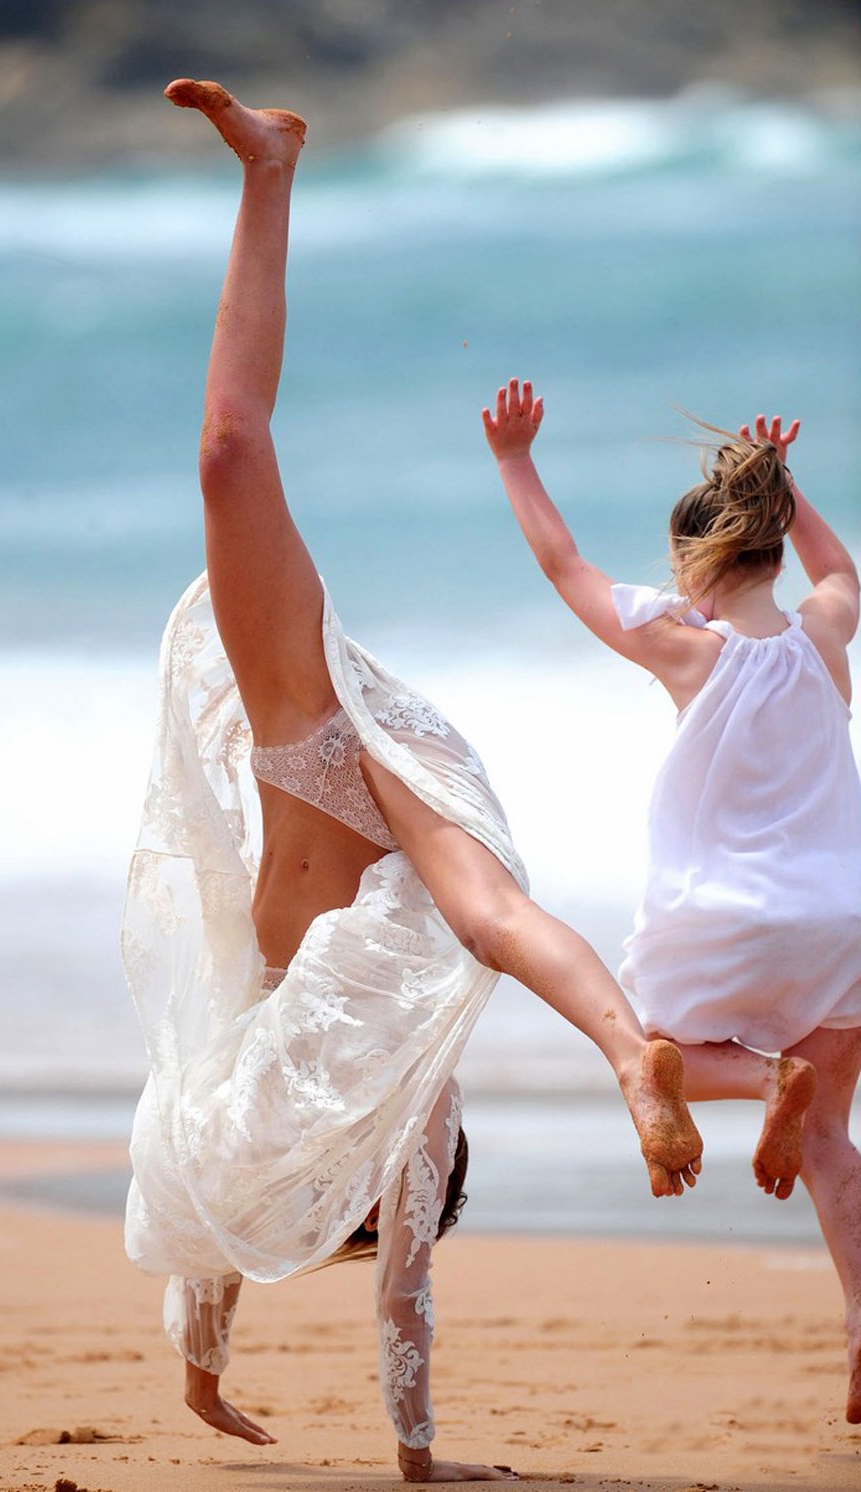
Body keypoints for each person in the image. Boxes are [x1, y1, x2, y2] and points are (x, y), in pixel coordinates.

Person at [122, 83, 704, 1484]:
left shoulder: (256, 1076)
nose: (344, 1215)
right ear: (405, 1193)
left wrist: (202, 1372)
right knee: (484, 919)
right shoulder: (409, 1093)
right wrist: (421, 1462)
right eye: (366, 1213)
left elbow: (209, 1196)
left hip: (306, 745)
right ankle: (629, 1057)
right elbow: (405, 1293)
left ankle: (268, 170)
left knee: (227, 453)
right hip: (366, 780)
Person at [483, 382, 861, 1423]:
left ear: (696, 567)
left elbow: (564, 566)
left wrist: (515, 461)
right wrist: (787, 484)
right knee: (830, 1141)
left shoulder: (685, 648)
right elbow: (841, 571)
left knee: (651, 1051)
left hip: (717, 919)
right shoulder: (825, 633)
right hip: (840, 924)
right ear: (774, 551)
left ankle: (760, 1079)